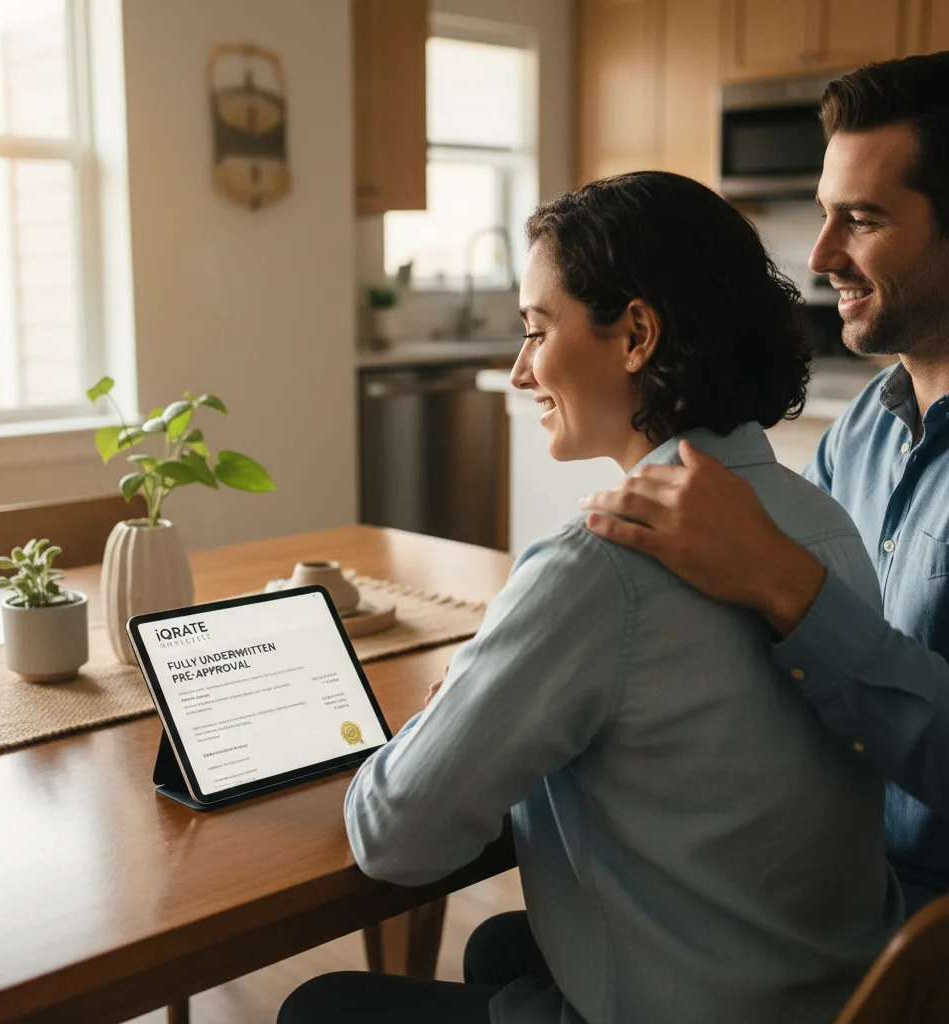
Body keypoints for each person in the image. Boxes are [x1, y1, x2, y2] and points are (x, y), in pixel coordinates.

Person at [277, 172, 900, 1024]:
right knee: (501, 947)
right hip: (838, 995)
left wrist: (448, 707)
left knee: (322, 1006)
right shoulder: (825, 522)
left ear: (636, 334)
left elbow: (394, 837)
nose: (521, 369)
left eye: (537, 330)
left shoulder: (595, 567)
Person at [581, 52, 949, 918]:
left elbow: (781, 588)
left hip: (922, 932)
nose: (822, 256)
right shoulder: (860, 429)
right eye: (824, 216)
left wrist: (779, 578)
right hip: (823, 873)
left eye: (860, 219)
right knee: (510, 948)